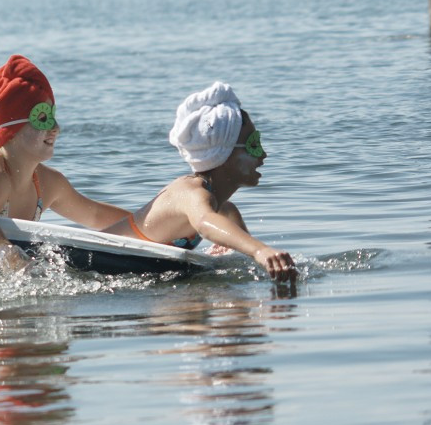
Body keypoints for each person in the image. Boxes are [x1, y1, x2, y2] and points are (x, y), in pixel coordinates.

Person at [0, 55, 130, 264]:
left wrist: (154, 231)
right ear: (10, 130)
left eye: (54, 116)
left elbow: (95, 216)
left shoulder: (48, 184)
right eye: (43, 119)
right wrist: (13, 260)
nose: (56, 128)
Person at [102, 82, 297, 282]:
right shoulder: (190, 193)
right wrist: (260, 250)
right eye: (253, 145)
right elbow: (205, 222)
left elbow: (245, 262)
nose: (263, 155)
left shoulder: (226, 211)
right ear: (224, 153)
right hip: (99, 257)